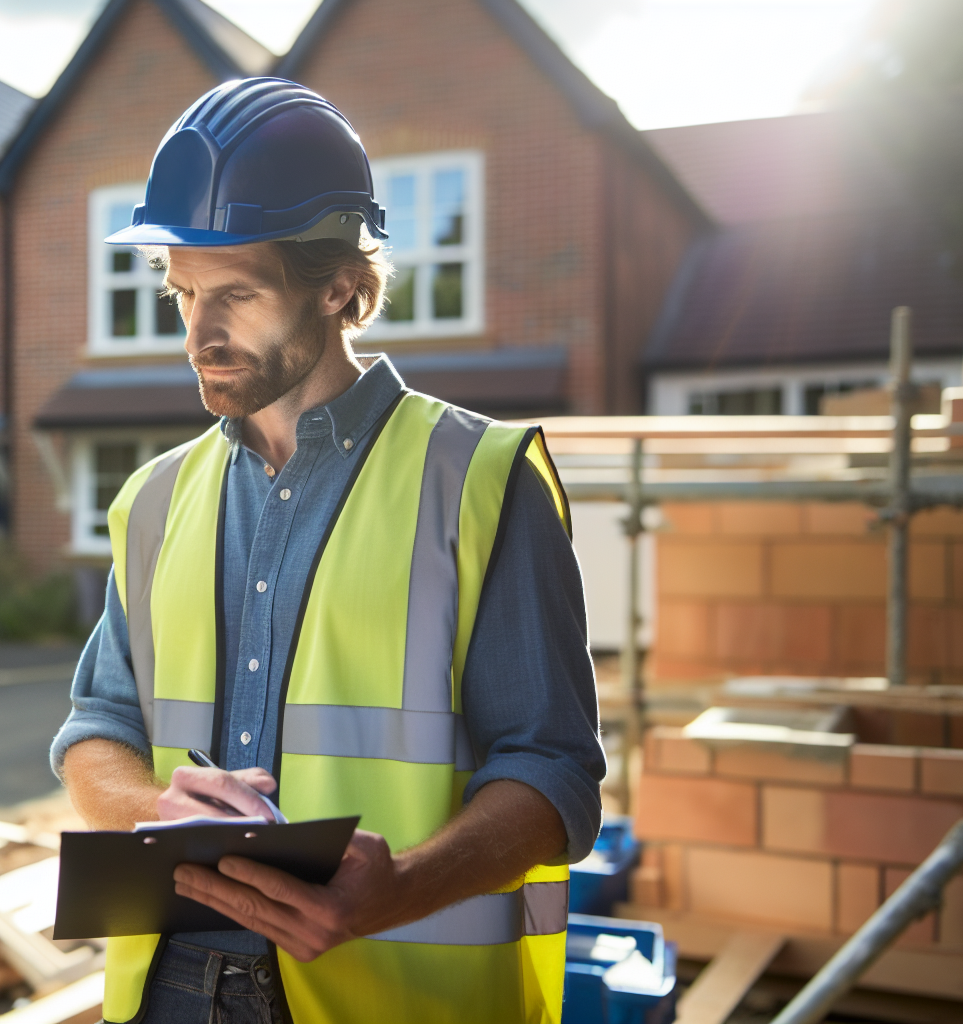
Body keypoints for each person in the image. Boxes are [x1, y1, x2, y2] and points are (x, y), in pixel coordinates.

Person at [49, 79, 604, 1023]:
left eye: (235, 294)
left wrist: (408, 885)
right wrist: (152, 813)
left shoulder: (479, 478)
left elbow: (554, 773)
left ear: (340, 284)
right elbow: (96, 729)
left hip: (396, 991)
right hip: (169, 991)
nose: (198, 335)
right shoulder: (153, 501)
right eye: (182, 293)